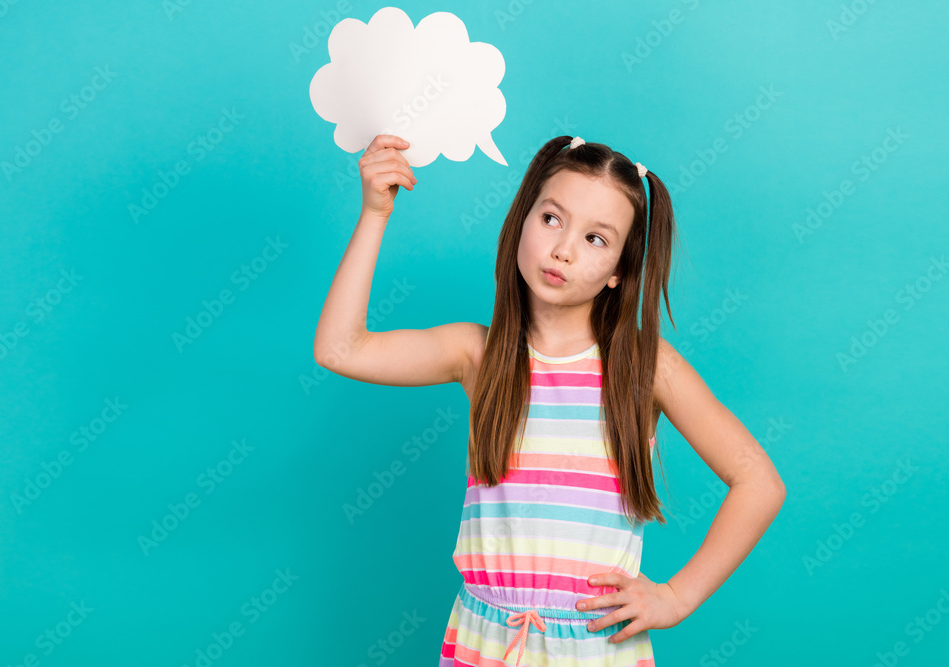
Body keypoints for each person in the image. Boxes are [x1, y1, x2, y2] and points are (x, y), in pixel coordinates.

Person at [314, 134, 786, 666]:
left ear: (620, 271)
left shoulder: (645, 364)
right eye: (551, 219)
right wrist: (375, 213)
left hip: (595, 648)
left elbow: (759, 482)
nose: (563, 249)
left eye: (596, 238)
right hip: (482, 643)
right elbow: (339, 348)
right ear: (522, 220)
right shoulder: (477, 354)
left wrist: (676, 597)